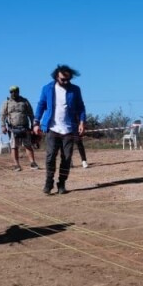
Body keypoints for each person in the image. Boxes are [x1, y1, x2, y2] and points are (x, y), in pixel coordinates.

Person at [33, 64, 86, 195]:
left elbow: (81, 107)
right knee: (50, 156)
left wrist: (82, 122)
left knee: (67, 158)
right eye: (63, 79)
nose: (65, 82)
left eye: (68, 79)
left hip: (69, 129)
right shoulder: (47, 89)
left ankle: (61, 183)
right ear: (57, 76)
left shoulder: (75, 90)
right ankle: (48, 182)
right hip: (52, 128)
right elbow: (41, 105)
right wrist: (36, 122)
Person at [0, 86, 38, 172]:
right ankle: (16, 165)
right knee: (14, 146)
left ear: (18, 91)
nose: (13, 93)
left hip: (25, 127)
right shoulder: (6, 102)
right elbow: (2, 115)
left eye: (15, 91)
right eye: (11, 92)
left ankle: (33, 163)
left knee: (28, 145)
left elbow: (31, 114)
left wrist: (33, 125)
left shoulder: (24, 101)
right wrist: (3, 126)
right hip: (13, 128)